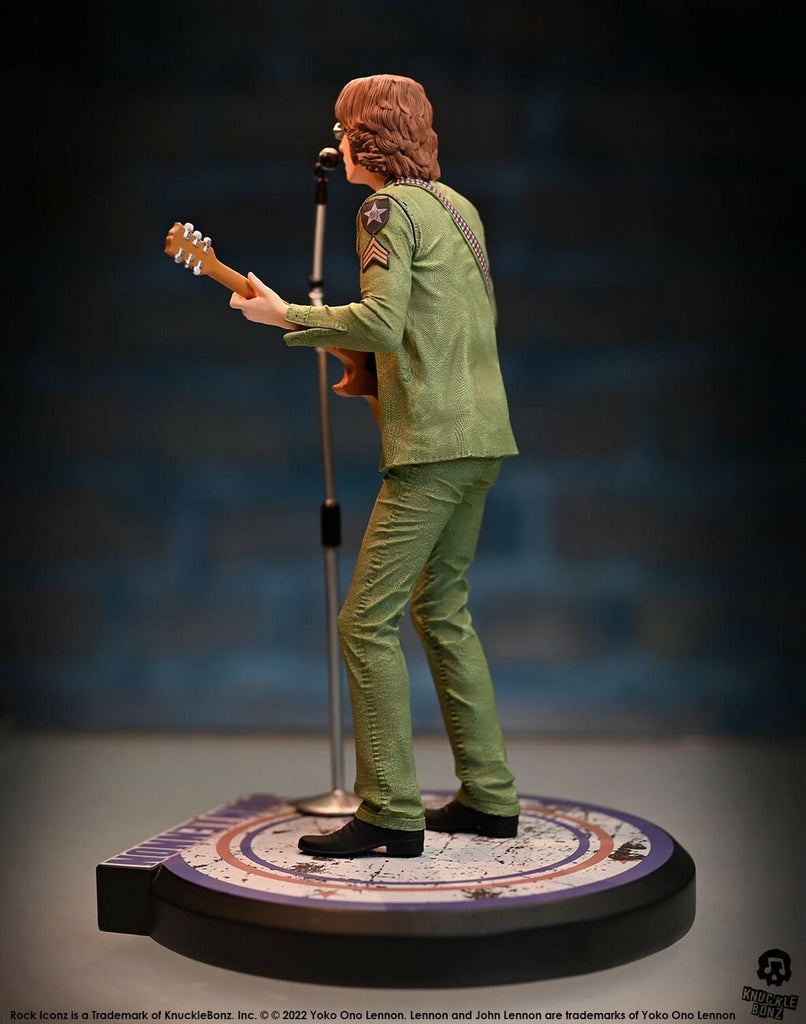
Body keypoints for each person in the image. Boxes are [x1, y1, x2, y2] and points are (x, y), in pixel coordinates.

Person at [230, 74, 520, 858]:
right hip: (485, 436)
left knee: (364, 621)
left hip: (431, 447)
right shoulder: (460, 208)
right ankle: (491, 796)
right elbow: (443, 321)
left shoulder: (381, 210)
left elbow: (386, 323)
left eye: (343, 127)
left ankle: (390, 809)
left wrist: (285, 314)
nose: (337, 140)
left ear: (369, 137)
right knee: (443, 609)